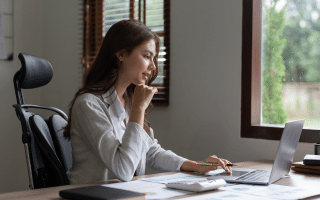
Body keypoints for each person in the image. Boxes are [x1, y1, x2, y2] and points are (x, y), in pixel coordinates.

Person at [63, 19, 232, 184]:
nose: (152, 67)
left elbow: (151, 152)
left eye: (154, 58)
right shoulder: (89, 104)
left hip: (125, 194)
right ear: (121, 54)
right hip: (91, 195)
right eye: (146, 56)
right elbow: (123, 170)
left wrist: (197, 166)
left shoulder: (129, 101)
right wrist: (139, 108)